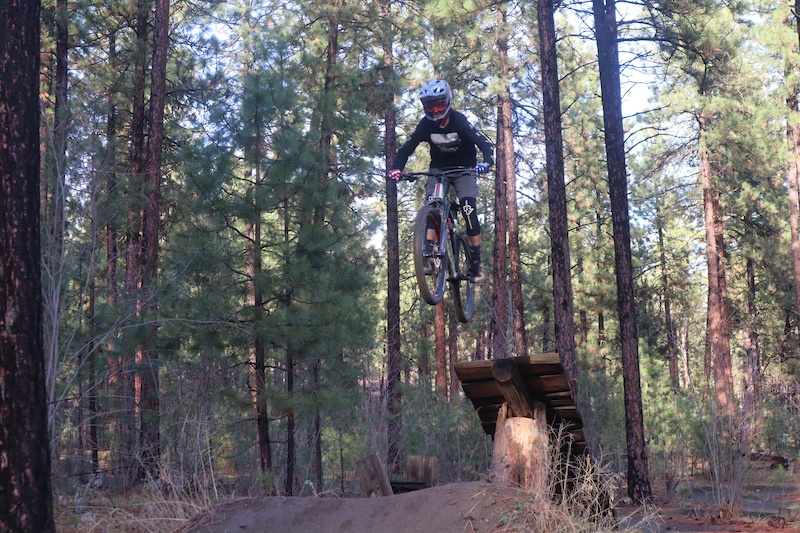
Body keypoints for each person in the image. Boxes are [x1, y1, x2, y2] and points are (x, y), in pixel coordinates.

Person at [389, 78, 494, 284]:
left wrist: (487, 163)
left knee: (468, 209)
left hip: (465, 169)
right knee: (432, 205)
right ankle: (429, 256)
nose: (435, 110)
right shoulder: (425, 125)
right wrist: (396, 168)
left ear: (448, 101)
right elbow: (406, 149)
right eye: (430, 105)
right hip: (439, 170)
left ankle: (476, 265)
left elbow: (485, 143)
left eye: (439, 104)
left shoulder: (459, 120)